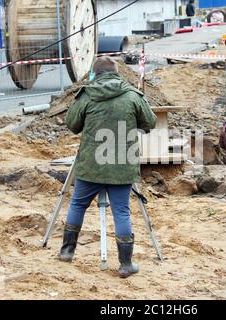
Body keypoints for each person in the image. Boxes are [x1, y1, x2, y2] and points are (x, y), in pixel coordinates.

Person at [59, 56, 157, 278]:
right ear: (117, 73)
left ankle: (67, 251)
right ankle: (125, 264)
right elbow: (150, 123)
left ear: (95, 74)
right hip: (122, 166)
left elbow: (72, 125)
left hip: (90, 165)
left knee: (77, 204)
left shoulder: (87, 95)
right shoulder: (133, 95)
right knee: (121, 212)